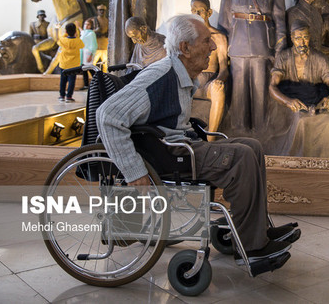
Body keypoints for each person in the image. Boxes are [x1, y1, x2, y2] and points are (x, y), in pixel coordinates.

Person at [97, 14, 299, 266]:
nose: (213, 47)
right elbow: (107, 114)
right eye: (206, 41)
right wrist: (133, 171)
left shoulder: (178, 73)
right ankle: (252, 248)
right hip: (169, 156)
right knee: (242, 157)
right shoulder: (161, 75)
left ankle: (257, 233)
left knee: (252, 146)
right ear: (185, 48)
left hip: (179, 147)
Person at [217, 0, 287, 134]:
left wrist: (279, 52)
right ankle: (238, 136)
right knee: (238, 96)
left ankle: (262, 136)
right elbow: (224, 22)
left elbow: (280, 21)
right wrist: (222, 56)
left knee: (260, 96)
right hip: (237, 47)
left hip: (263, 47)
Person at [269, 21, 329, 158]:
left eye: (305, 38)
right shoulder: (283, 57)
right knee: (301, 120)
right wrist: (287, 101)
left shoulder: (319, 58)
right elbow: (272, 87)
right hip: (290, 100)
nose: (301, 42)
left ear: (310, 37)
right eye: (297, 38)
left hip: (315, 98)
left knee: (327, 121)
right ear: (291, 38)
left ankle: (325, 161)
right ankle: (298, 159)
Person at [189, 0, 229, 140]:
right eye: (193, 11)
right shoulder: (187, 36)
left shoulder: (218, 37)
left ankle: (210, 139)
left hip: (208, 83)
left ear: (209, 12)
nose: (197, 15)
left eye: (200, 11)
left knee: (218, 89)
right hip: (191, 82)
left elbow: (224, 67)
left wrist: (219, 80)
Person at [44, 22, 84, 103]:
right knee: (72, 81)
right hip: (74, 65)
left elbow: (59, 40)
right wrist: (76, 36)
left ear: (66, 32)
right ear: (75, 32)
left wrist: (63, 33)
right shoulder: (78, 41)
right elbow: (82, 45)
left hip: (64, 64)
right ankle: (69, 96)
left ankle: (62, 95)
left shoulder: (63, 40)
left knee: (63, 80)